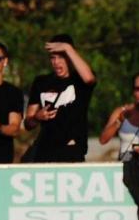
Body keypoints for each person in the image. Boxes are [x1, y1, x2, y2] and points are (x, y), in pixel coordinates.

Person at [23, 34, 97, 162]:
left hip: (71, 151)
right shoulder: (41, 82)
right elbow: (28, 123)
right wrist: (37, 117)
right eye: (53, 57)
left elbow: (89, 78)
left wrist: (68, 48)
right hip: (44, 150)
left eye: (61, 57)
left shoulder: (80, 80)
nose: (56, 62)